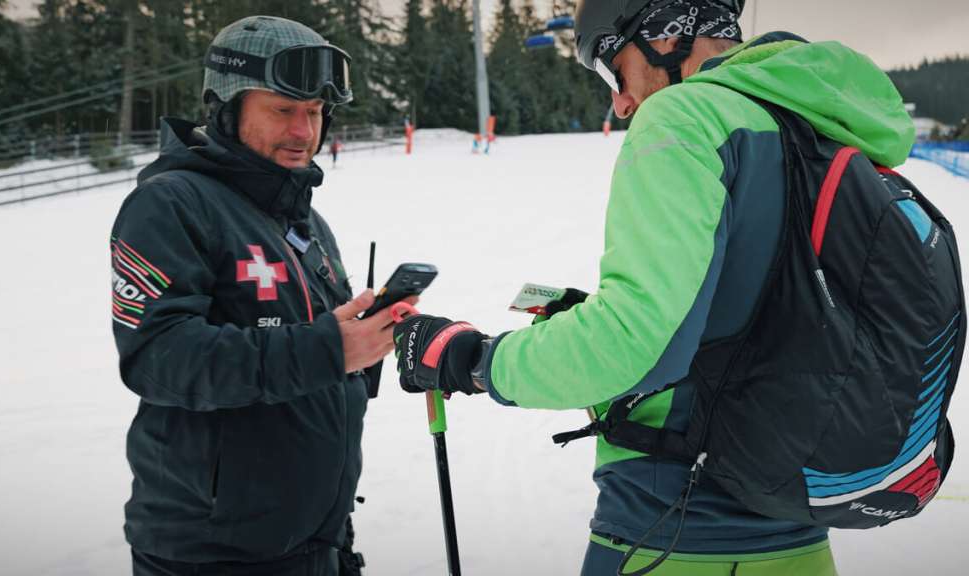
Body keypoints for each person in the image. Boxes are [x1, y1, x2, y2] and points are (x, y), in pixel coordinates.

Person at [392, 0, 917, 574]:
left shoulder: (684, 118)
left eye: (611, 67)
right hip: (799, 539)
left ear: (667, 34)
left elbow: (633, 349)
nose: (618, 100)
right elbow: (759, 314)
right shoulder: (814, 125)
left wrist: (472, 359)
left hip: (671, 536)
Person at [110, 15, 408, 576]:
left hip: (314, 543)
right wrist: (330, 350)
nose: (304, 132)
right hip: (214, 555)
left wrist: (369, 342)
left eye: (315, 112)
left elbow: (311, 348)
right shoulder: (171, 205)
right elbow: (159, 359)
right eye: (282, 110)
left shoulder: (303, 218)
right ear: (226, 107)